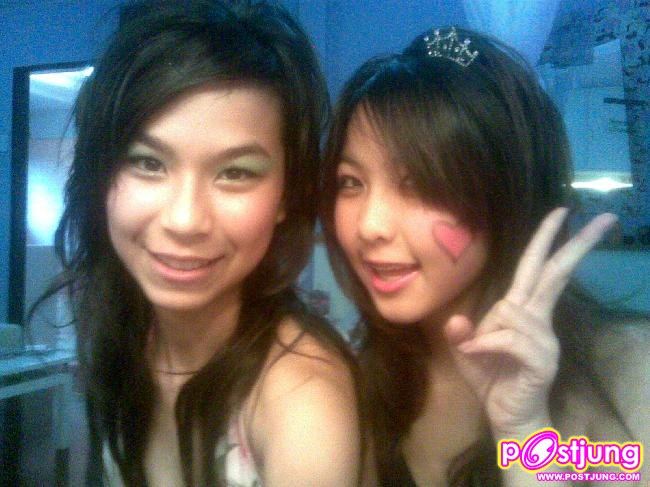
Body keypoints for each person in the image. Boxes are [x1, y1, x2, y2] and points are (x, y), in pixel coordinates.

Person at [36, 1, 363, 485]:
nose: (185, 220)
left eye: (236, 172)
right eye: (148, 162)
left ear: (285, 195)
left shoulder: (303, 403)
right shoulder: (126, 331)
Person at [320, 26, 648, 486]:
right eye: (351, 182)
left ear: (507, 196)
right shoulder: (349, 381)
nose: (369, 226)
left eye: (419, 183)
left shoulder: (631, 372)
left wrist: (524, 432)